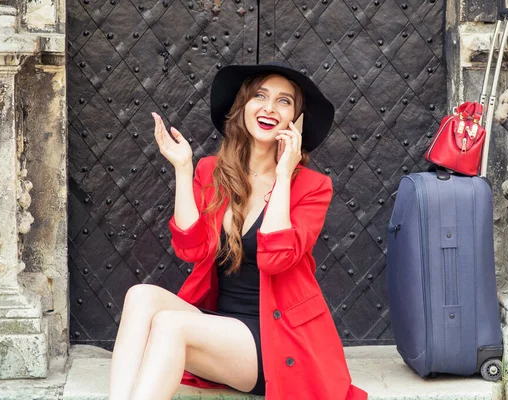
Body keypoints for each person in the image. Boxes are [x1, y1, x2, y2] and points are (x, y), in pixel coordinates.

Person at [108, 63, 368, 400]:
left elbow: (275, 259)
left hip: (276, 343)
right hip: (219, 329)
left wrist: (285, 174)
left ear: (296, 120)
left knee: (171, 325)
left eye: (284, 101)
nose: (270, 108)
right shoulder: (212, 170)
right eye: (260, 96)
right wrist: (184, 170)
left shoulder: (313, 187)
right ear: (242, 106)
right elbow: (193, 250)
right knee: (140, 296)